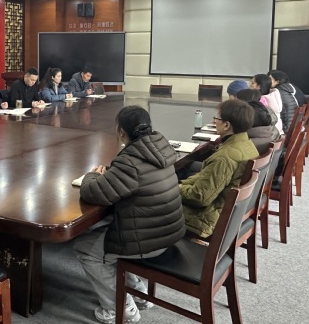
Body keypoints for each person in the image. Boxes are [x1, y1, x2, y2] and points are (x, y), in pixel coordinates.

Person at [74, 106, 185, 324]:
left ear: (122, 132)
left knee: (85, 248)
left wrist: (91, 176)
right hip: (168, 231)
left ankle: (119, 308)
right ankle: (138, 292)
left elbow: (93, 192)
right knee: (106, 232)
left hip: (147, 240)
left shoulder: (130, 161)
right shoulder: (160, 149)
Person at [180, 99, 258, 238]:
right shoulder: (247, 145)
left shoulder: (223, 158)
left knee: (149, 202)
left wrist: (175, 188)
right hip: (226, 211)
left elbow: (199, 198)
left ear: (227, 125)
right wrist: (183, 184)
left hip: (206, 220)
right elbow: (205, 178)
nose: (213, 121)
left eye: (217, 118)